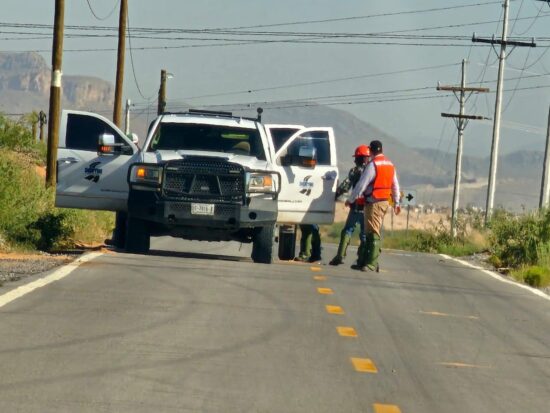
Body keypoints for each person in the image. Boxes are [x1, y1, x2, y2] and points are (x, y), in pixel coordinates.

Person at [347, 140, 401, 272]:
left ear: (371, 151)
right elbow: (395, 185)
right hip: (384, 201)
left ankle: (371, 262)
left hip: (374, 201)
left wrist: (351, 199)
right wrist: (396, 202)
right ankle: (363, 261)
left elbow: (361, 185)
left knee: (372, 232)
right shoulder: (390, 164)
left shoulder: (373, 165)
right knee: (369, 231)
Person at [329, 145, 371, 266]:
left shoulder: (355, 171)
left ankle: (340, 256)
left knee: (347, 230)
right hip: (368, 208)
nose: (355, 160)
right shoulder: (372, 170)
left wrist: (335, 195)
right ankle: (362, 260)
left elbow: (345, 186)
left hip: (356, 206)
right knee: (364, 234)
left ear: (360, 158)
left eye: (356, 158)